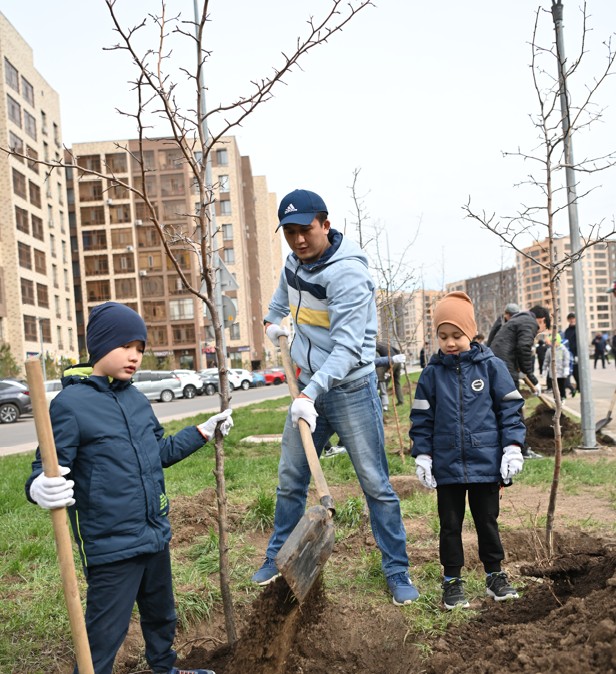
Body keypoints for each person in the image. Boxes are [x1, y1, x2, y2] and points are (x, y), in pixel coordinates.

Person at [25, 302, 232, 674]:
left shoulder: (135, 399)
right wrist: (39, 486)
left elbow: (160, 452)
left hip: (153, 535)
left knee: (161, 616)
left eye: (140, 349)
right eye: (127, 346)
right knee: (104, 633)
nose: (135, 356)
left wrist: (203, 431)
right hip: (111, 547)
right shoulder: (71, 405)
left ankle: (164, 668)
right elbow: (47, 467)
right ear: (102, 345)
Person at [253, 188, 418, 605]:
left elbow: (347, 349)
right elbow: (276, 309)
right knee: (291, 479)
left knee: (375, 483)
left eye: (305, 230)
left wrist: (309, 392)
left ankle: (397, 571)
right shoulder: (293, 263)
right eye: (289, 232)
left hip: (349, 389)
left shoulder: (347, 274)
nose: (298, 240)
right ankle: (277, 557)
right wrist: (274, 326)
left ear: (325, 224)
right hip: (308, 387)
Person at [410, 292, 526, 610]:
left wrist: (512, 447)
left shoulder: (491, 368)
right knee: (450, 524)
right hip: (447, 466)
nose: (450, 342)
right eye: (443, 336)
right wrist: (423, 454)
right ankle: (452, 580)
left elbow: (510, 411)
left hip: (485, 463)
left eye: (457, 335)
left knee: (487, 521)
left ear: (471, 333)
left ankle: (495, 574)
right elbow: (421, 418)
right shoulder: (431, 375)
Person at [489, 304, 550, 460]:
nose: (537, 332)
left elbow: (514, 347)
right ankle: (521, 449)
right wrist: (533, 378)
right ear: (541, 320)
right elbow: (523, 347)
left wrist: (521, 371)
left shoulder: (517, 321)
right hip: (504, 368)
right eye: (540, 330)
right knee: (513, 408)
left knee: (502, 408)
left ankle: (504, 447)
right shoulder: (529, 322)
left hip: (498, 366)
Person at [543, 334, 571, 399]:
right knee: (555, 387)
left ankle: (563, 397)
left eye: (552, 341)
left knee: (561, 386)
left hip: (561, 373)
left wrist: (566, 368)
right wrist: (544, 369)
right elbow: (546, 360)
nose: (551, 343)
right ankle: (556, 398)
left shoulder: (563, 349)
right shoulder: (549, 350)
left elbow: (566, 359)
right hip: (553, 373)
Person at [563, 312, 580, 391]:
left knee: (577, 372)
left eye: (573, 318)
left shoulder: (579, 329)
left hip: (578, 354)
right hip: (570, 354)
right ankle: (576, 388)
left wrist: (578, 355)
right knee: (571, 372)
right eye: (570, 319)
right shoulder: (567, 331)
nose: (572, 320)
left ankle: (580, 388)